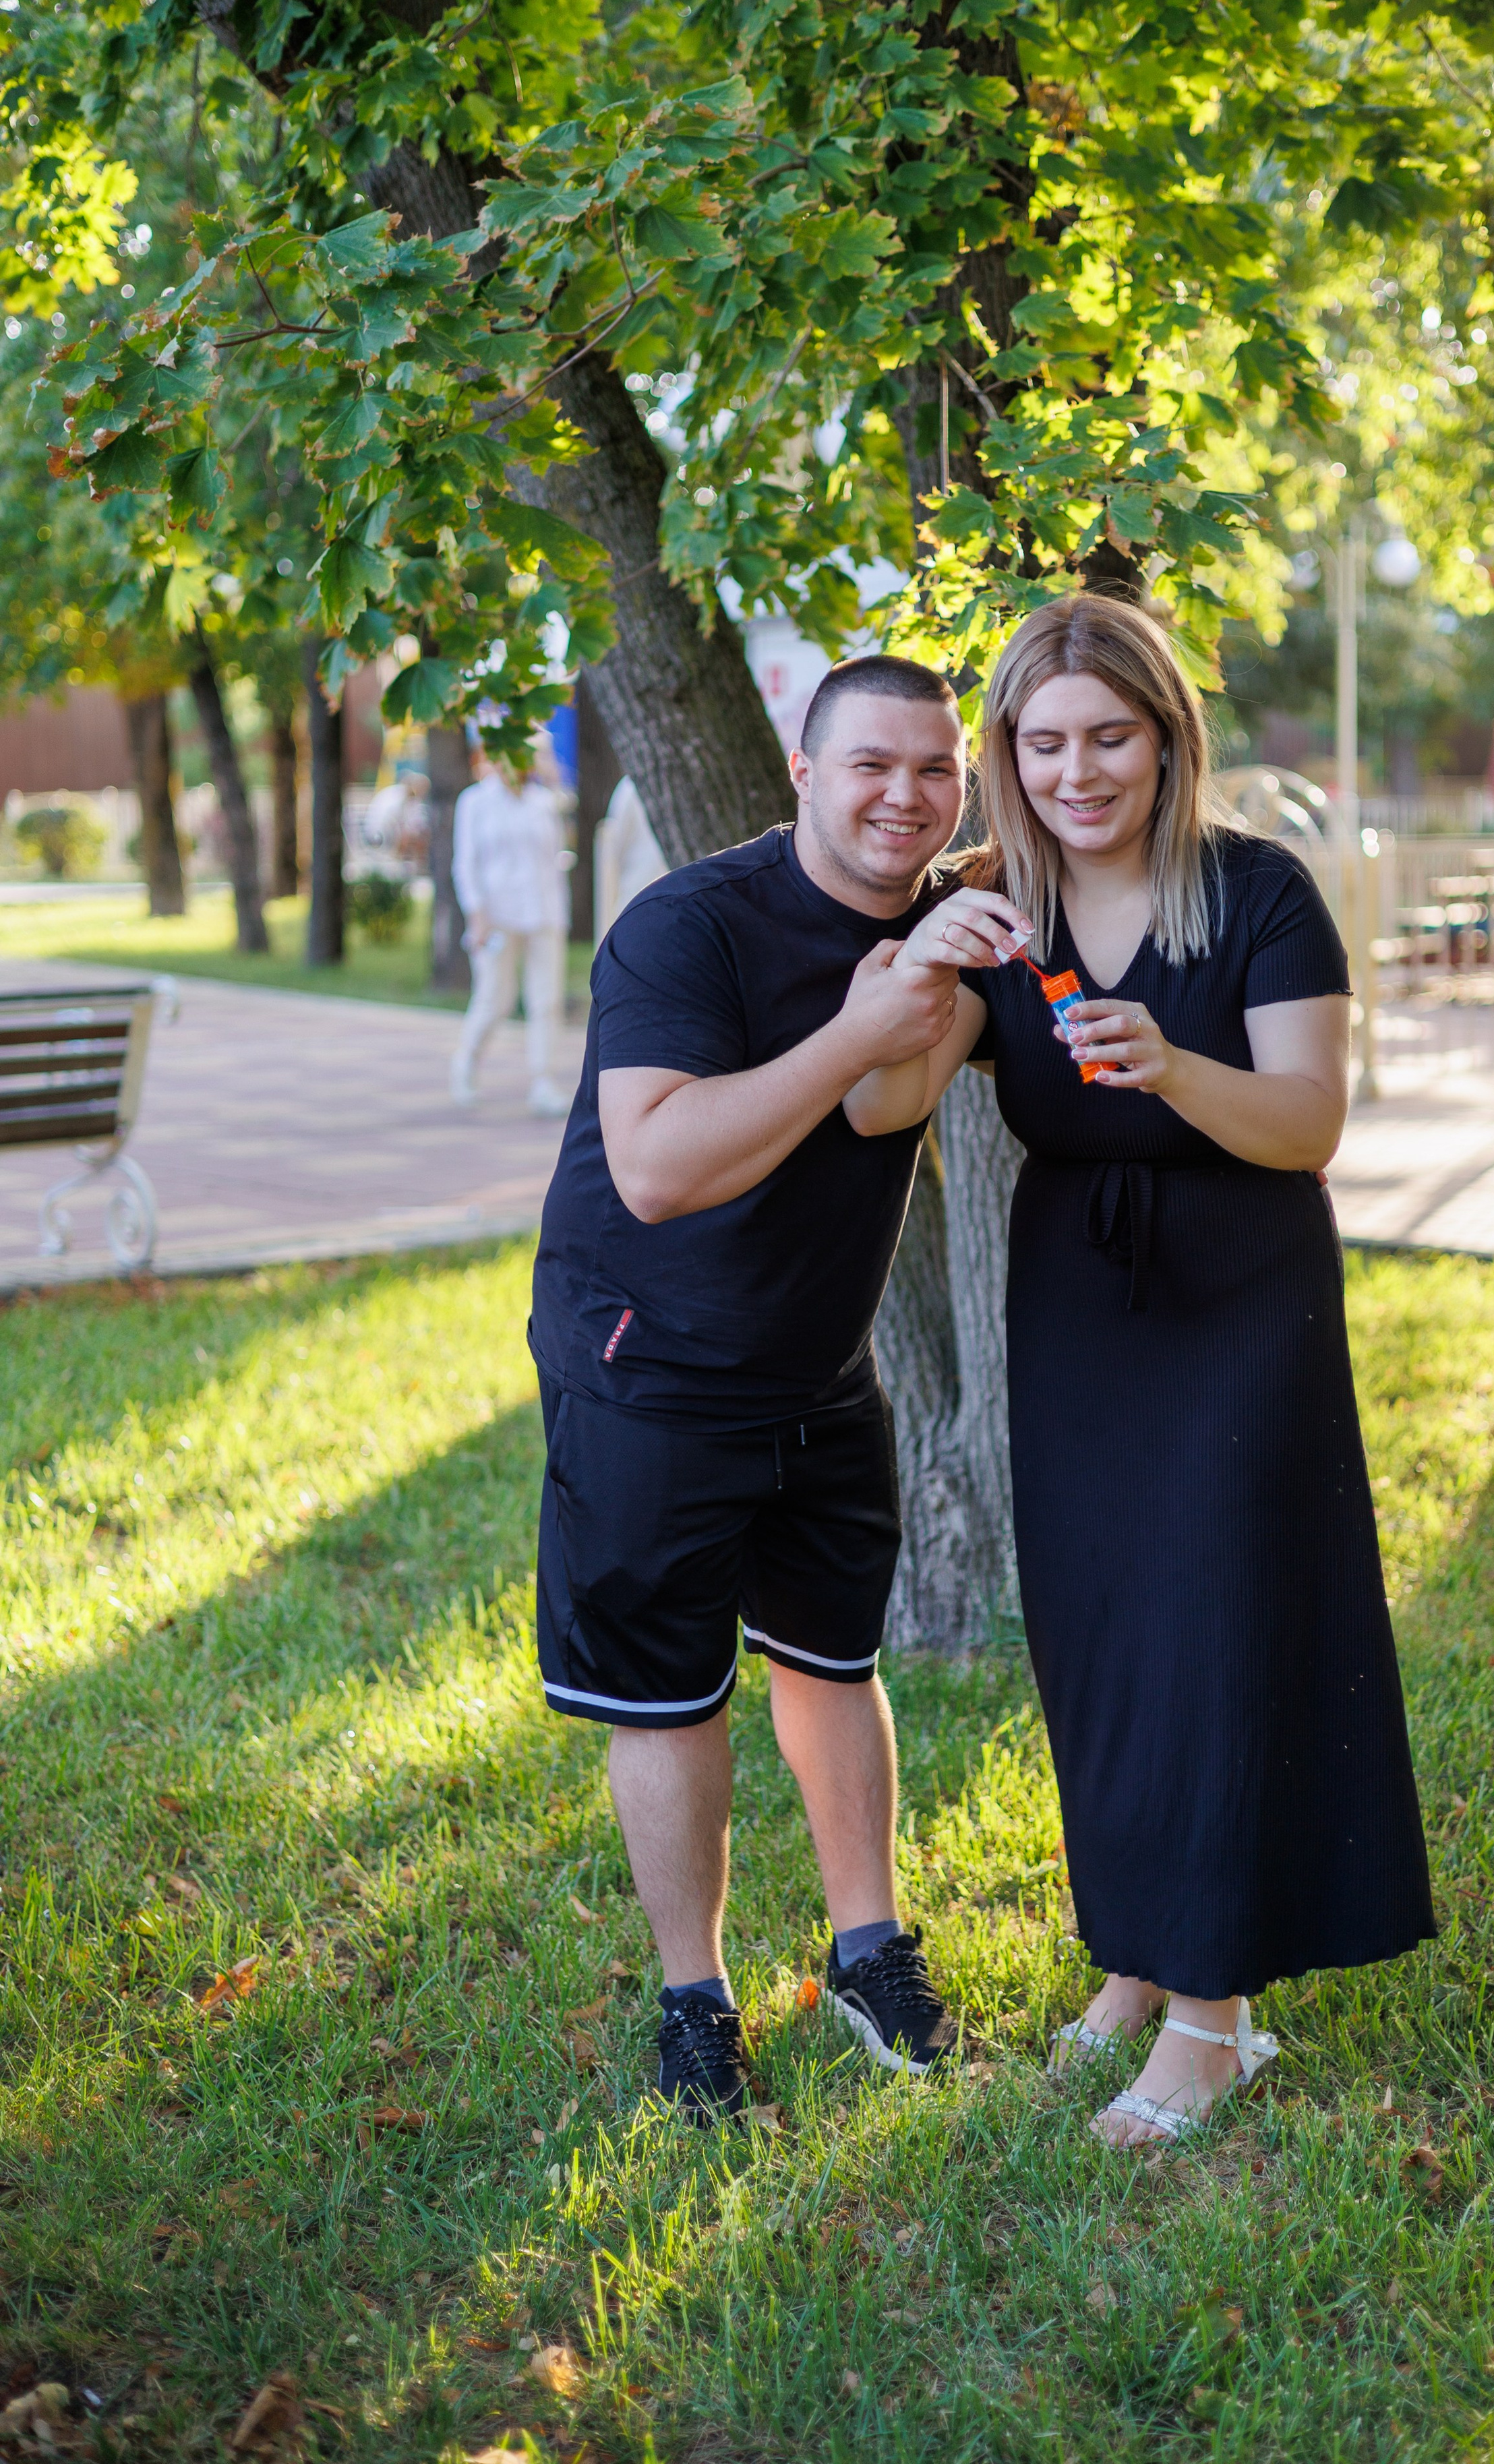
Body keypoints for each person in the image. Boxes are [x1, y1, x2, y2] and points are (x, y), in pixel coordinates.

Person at [843, 592, 1434, 2148]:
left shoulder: (1254, 893)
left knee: (1217, 1624)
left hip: (1239, 1290)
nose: (1075, 769)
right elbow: (876, 1110)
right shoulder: (994, 901)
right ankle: (1133, 1951)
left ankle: (1211, 2017)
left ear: (1167, 737)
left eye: (1107, 735)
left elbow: (1306, 1124)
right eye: (1041, 742)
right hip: (1079, 1293)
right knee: (1100, 1631)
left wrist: (1172, 1066)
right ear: (1006, 755)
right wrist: (916, 966)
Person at [529, 655, 970, 2123]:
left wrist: (923, 1000)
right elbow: (655, 1168)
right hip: (646, 1361)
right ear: (801, 767)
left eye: (933, 770)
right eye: (870, 765)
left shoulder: (937, 939)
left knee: (833, 1659)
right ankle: (694, 2000)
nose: (902, 796)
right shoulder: (686, 927)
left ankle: (865, 1947)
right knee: (667, 1695)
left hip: (816, 1363)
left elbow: (882, 1105)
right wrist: (864, 1016)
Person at [450, 746, 573, 1118]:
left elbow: (560, 852)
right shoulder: (475, 801)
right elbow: (465, 863)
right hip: (497, 914)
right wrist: (477, 914)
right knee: (494, 998)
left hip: (544, 912)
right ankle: (466, 1062)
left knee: (546, 1000)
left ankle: (543, 1080)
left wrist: (553, 776)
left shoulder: (543, 801)